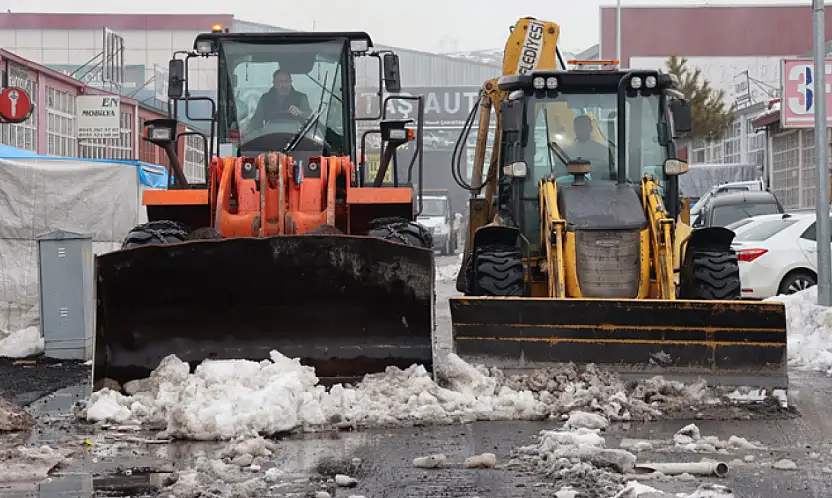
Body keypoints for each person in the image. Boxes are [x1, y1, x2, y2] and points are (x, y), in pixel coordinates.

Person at [247, 69, 312, 131]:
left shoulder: (300, 98)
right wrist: (247, 130)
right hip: (268, 137)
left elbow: (310, 117)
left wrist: (300, 112)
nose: (283, 85)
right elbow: (255, 121)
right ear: (274, 83)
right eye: (279, 81)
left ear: (290, 82)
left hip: (296, 138)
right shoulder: (265, 99)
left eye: (286, 81)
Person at [563, 115, 612, 179]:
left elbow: (609, 174)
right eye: (578, 127)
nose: (581, 130)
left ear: (591, 128)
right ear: (574, 129)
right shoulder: (566, 152)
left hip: (599, 186)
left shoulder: (603, 151)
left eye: (584, 127)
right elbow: (562, 173)